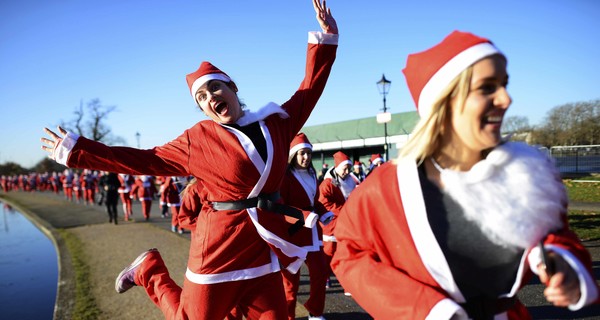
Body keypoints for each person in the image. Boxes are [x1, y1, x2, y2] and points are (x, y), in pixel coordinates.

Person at [40, 1, 337, 318]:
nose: (210, 98)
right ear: (203, 109)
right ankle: (150, 272)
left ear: (232, 87)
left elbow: (309, 89)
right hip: (219, 248)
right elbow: (144, 160)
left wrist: (327, 39)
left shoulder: (276, 122)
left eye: (215, 88)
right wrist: (77, 150)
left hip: (261, 245)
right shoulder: (198, 139)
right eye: (202, 98)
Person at [330, 30, 599, 319]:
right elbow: (348, 255)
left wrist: (565, 264)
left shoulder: (530, 173)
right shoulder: (386, 187)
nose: (506, 99)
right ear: (444, 102)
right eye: (487, 87)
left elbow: (557, 235)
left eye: (504, 85)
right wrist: (428, 309)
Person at [279, 133, 334, 320]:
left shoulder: (312, 174)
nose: (306, 157)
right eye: (302, 153)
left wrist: (324, 212)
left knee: (320, 273)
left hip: (313, 235)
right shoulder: (284, 177)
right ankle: (288, 316)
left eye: (308, 153)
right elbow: (280, 208)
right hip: (292, 236)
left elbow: (313, 201)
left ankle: (315, 311)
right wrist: (302, 216)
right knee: (290, 284)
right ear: (293, 155)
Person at [318, 150, 357, 295]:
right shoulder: (327, 184)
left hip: (346, 223)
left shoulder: (351, 181)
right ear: (336, 168)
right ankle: (325, 276)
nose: (347, 171)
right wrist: (343, 211)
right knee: (328, 254)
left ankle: (346, 283)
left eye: (348, 168)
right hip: (331, 225)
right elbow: (324, 203)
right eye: (344, 168)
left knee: (345, 253)